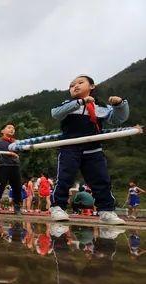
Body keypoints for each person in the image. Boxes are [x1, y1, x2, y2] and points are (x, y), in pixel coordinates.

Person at [50, 75, 129, 224]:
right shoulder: (68, 104)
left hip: (93, 149)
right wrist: (80, 102)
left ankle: (106, 211)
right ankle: (57, 207)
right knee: (65, 179)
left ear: (92, 86)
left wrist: (120, 105)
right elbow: (56, 113)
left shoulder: (100, 107)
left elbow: (118, 119)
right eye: (72, 85)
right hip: (70, 147)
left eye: (80, 83)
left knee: (101, 180)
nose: (75, 86)